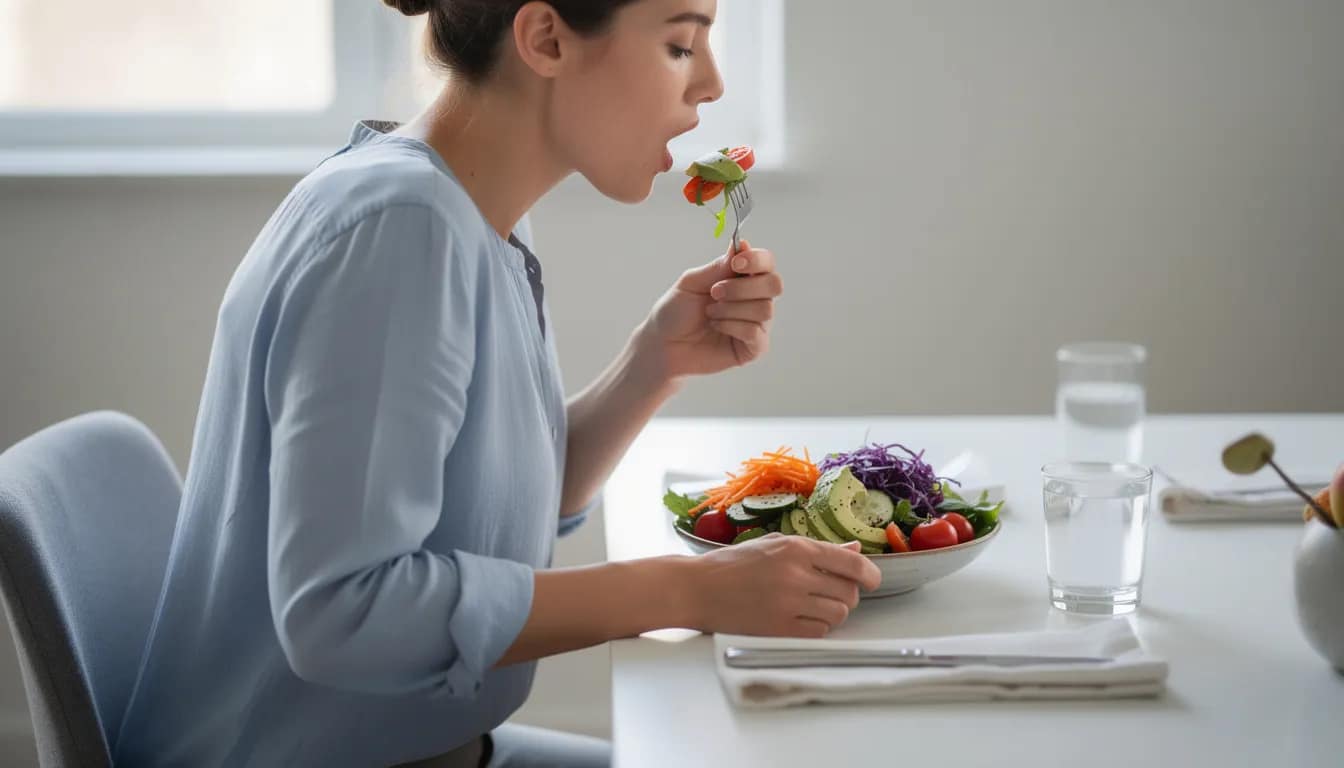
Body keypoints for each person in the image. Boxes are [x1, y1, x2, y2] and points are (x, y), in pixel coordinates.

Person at [112, 1, 882, 765]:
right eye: (681, 45)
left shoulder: (467, 211)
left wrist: (655, 363)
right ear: (546, 38)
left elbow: (494, 511)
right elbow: (345, 612)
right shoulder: (404, 228)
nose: (710, 83)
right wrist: (689, 592)